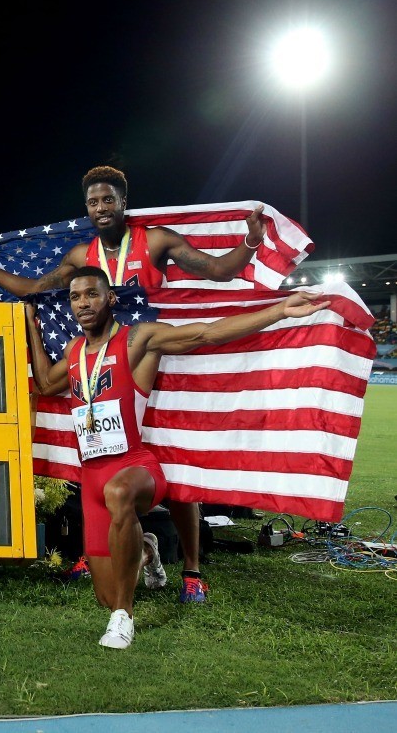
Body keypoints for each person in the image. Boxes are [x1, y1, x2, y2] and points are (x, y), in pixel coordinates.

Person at [0, 165, 269, 602]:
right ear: (86, 208)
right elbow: (33, 287)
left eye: (108, 199)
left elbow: (219, 271)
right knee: (101, 454)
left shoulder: (155, 241)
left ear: (124, 202)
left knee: (175, 465)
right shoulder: (80, 255)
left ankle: (192, 570)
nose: (101, 208)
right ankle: (116, 548)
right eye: (93, 202)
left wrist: (251, 241)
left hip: (154, 358)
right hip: (103, 364)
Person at [24, 265, 326, 648]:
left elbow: (205, 333)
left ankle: (123, 618)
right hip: (92, 479)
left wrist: (280, 310)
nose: (83, 303)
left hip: (134, 466)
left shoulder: (138, 339)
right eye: (75, 297)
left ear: (110, 298)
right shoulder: (74, 351)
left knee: (119, 497)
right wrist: (32, 326)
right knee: (105, 593)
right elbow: (46, 383)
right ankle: (146, 551)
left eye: (92, 294)